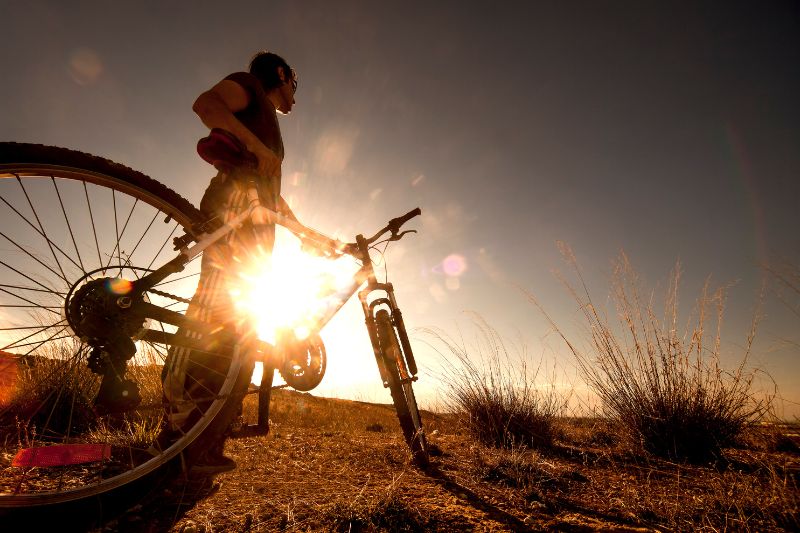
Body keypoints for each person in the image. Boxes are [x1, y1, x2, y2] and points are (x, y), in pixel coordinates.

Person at [158, 51, 304, 475]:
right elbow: (206, 105)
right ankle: (179, 433)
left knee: (239, 329)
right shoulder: (250, 88)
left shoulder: (268, 122)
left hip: (255, 230)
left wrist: (302, 231)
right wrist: (257, 145)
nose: (296, 94)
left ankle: (204, 439)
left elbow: (269, 189)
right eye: (295, 83)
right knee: (216, 318)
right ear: (281, 75)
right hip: (231, 214)